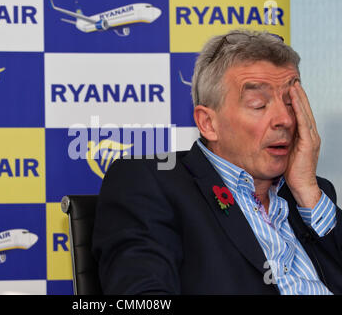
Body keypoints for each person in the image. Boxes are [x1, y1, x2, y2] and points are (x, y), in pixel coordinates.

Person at [91, 29, 342, 294]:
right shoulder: (148, 183)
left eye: (291, 103)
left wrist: (307, 191)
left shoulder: (313, 196)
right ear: (208, 124)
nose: (286, 120)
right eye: (259, 104)